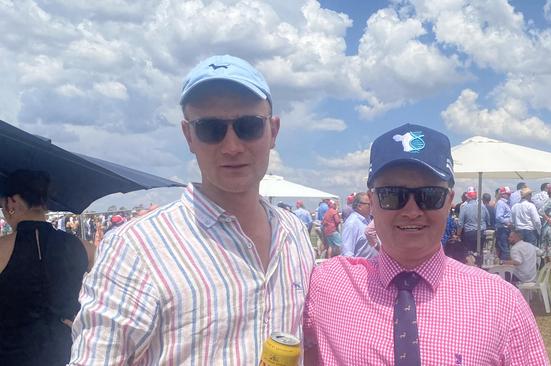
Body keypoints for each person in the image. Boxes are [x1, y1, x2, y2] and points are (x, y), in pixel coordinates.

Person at [69, 55, 315, 365]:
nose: (232, 146)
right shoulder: (136, 248)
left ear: (273, 132)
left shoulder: (293, 232)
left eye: (248, 126)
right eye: (211, 129)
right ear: (189, 136)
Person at [303, 123, 549, 365]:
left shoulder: (501, 301)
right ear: (373, 201)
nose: (412, 210)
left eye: (430, 195)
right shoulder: (326, 284)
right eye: (392, 195)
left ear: (449, 201)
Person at [0, 169, 88, 365]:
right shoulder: (83, 247)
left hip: (11, 355)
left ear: (12, 202)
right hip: (66, 351)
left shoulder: (3, 247)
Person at [457, 186, 489, 261]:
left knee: (470, 254)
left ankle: (471, 269)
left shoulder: (464, 207)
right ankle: (480, 268)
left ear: (468, 197)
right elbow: (488, 218)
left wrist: (458, 234)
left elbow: (460, 223)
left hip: (469, 233)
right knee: (479, 253)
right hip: (481, 232)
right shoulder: (482, 206)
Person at [341, 192, 376, 258]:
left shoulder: (368, 219)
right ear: (359, 206)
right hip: (361, 266)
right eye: (369, 204)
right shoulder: (352, 224)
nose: (372, 206)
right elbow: (347, 253)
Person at [495, 186, 513, 260]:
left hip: (504, 229)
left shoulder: (504, 203)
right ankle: (503, 267)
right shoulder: (501, 203)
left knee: (504, 249)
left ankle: (503, 266)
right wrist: (507, 222)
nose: (509, 195)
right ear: (503, 194)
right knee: (505, 250)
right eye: (508, 194)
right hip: (502, 229)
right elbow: (498, 217)